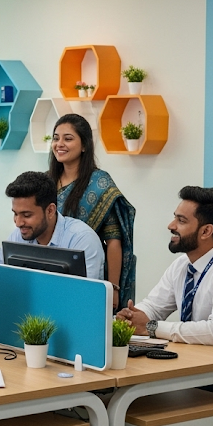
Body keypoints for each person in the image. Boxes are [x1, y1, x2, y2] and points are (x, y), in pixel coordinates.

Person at [116, 186, 213, 355]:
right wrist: (132, 316)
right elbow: (154, 306)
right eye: (175, 218)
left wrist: (152, 327)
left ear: (206, 231)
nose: (171, 226)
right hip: (196, 360)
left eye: (181, 221)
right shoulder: (181, 265)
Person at [48, 113, 136, 309]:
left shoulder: (99, 183)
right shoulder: (46, 181)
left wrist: (112, 288)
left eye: (68, 139)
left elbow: (114, 240)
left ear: (84, 145)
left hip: (87, 271)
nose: (59, 144)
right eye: (56, 138)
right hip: (48, 268)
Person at [0, 171, 105, 280]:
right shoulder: (17, 236)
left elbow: (84, 291)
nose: (18, 223)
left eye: (26, 215)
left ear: (50, 211)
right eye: (15, 214)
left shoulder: (82, 239)